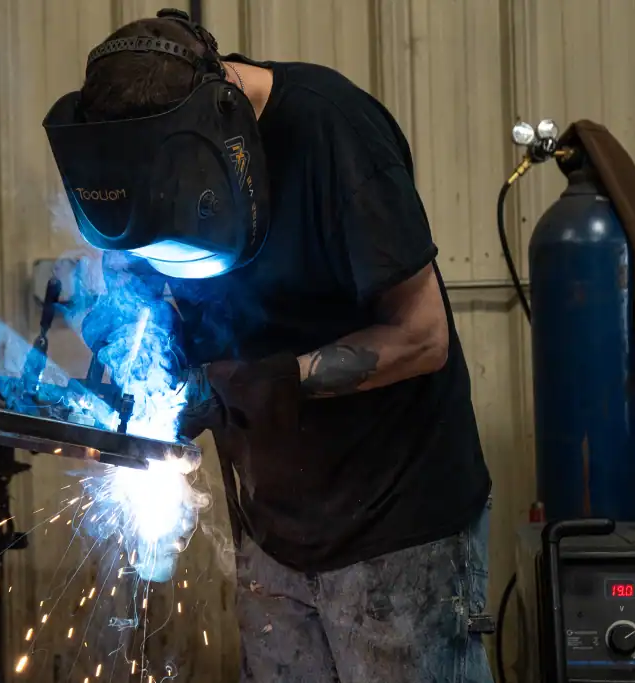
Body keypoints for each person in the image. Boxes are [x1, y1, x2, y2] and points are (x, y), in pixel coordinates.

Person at [45, 10, 493, 683]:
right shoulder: (143, 166)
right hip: (274, 531)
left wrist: (279, 379)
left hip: (397, 524)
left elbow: (424, 336)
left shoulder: (332, 132)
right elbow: (145, 297)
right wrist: (135, 356)